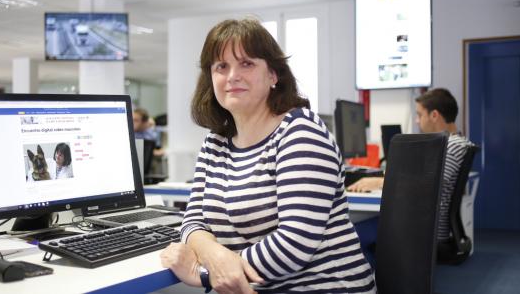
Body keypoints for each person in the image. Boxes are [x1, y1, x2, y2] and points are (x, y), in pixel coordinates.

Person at [160, 18, 375, 293]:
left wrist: (202, 273)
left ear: (273, 75)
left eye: (246, 63)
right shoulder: (215, 143)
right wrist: (216, 255)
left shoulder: (299, 131)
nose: (232, 75)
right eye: (221, 66)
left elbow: (294, 243)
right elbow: (192, 221)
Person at [347, 88, 472, 241]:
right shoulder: (454, 143)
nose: (417, 121)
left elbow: (427, 183)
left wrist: (379, 182)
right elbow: (421, 176)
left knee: (352, 235)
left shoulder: (451, 146)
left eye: (419, 115)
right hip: (423, 224)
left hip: (426, 232)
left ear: (434, 115)